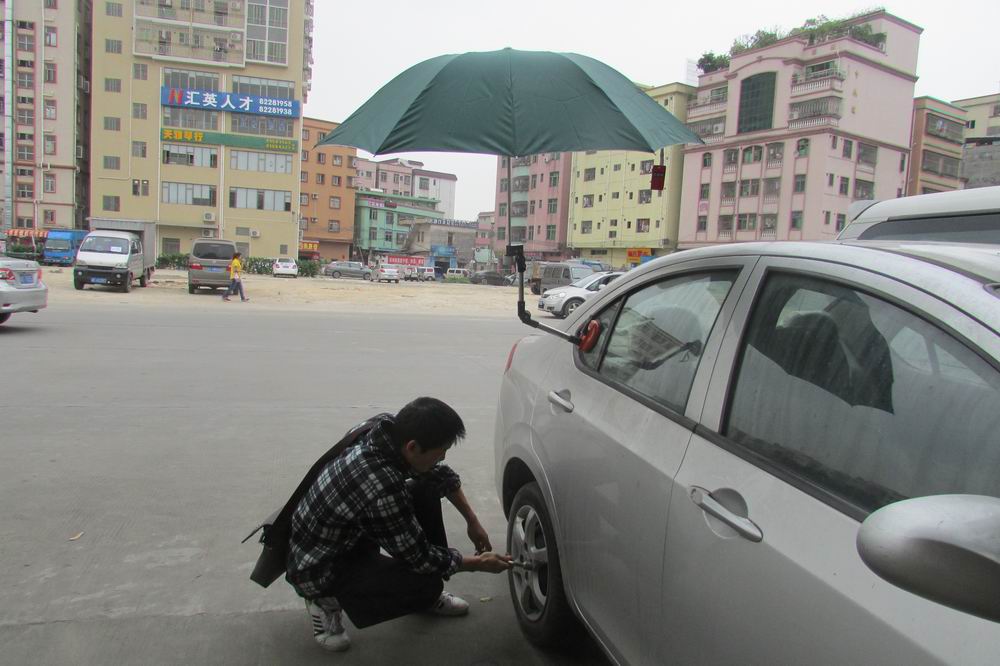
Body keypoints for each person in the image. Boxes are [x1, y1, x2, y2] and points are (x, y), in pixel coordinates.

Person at [285, 397, 511, 652]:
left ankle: (422, 594)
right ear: (413, 447)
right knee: (427, 581)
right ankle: (324, 601)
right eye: (439, 453)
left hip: (349, 531)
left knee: (424, 486)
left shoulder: (383, 428)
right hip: (319, 564)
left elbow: (438, 473)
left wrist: (472, 520)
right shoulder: (382, 486)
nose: (443, 458)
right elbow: (422, 558)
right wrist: (479, 564)